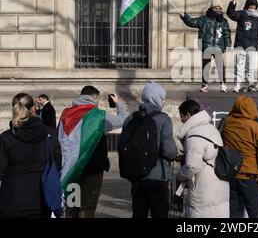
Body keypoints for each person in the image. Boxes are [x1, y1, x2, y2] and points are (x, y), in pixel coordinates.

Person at [59, 86, 128, 218]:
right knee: (86, 209)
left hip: (70, 170)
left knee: (71, 207)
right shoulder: (99, 116)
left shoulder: (65, 114)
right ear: (95, 99)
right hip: (92, 170)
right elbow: (124, 120)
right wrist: (118, 103)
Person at [0, 93, 61, 218]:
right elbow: (57, 163)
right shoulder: (48, 134)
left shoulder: (6, 137)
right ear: (33, 108)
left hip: (12, 199)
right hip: (41, 199)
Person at [122, 81, 177, 218]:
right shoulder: (163, 119)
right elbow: (170, 152)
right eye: (162, 98)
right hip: (158, 176)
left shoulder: (131, 118)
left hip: (137, 175)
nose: (164, 101)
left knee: (138, 213)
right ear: (156, 98)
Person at [176, 99, 229, 218]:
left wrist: (179, 175)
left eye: (182, 116)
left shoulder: (193, 134)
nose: (181, 120)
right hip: (219, 183)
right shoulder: (212, 129)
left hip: (203, 187)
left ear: (188, 115)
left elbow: (192, 165)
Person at [222, 95, 258, 218]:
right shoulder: (255, 127)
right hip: (249, 174)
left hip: (231, 174)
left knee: (234, 212)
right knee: (254, 211)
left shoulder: (227, 123)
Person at [180, 0, 232, 93]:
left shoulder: (223, 22)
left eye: (219, 8)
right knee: (206, 66)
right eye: (215, 8)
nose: (217, 10)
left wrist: (228, 45)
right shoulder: (204, 19)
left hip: (218, 47)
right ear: (211, 8)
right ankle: (205, 85)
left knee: (220, 66)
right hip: (207, 46)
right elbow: (192, 22)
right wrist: (185, 16)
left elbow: (227, 34)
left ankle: (223, 84)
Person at [227, 0, 258, 93]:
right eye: (250, 5)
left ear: (256, 7)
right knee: (239, 66)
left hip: (252, 46)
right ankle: (237, 85)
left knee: (250, 66)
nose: (252, 7)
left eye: (254, 6)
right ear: (247, 6)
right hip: (241, 45)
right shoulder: (242, 14)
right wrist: (233, 3)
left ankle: (250, 84)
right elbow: (231, 14)